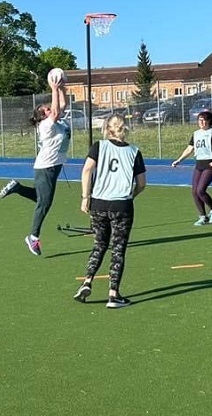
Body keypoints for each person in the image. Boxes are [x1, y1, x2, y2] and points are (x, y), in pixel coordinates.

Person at [73, 113, 147, 309]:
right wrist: (130, 195)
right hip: (121, 205)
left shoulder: (99, 146)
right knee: (118, 249)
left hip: (98, 203)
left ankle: (87, 281)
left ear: (107, 128)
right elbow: (141, 184)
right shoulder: (134, 151)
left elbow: (87, 170)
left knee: (99, 245)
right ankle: (113, 294)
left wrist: (85, 196)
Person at [0, 74, 69, 256]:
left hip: (51, 166)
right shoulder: (46, 126)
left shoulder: (54, 122)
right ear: (42, 116)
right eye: (45, 109)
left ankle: (17, 188)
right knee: (44, 203)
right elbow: (55, 112)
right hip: (46, 167)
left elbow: (62, 106)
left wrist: (61, 88)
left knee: (41, 198)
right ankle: (33, 237)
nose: (49, 109)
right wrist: (53, 88)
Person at [171, 111, 212, 225]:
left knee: (201, 190)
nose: (201, 122)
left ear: (209, 121)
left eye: (204, 120)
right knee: (195, 191)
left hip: (210, 163)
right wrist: (179, 160)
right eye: (199, 120)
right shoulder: (196, 134)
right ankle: (202, 216)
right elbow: (189, 149)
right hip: (199, 164)